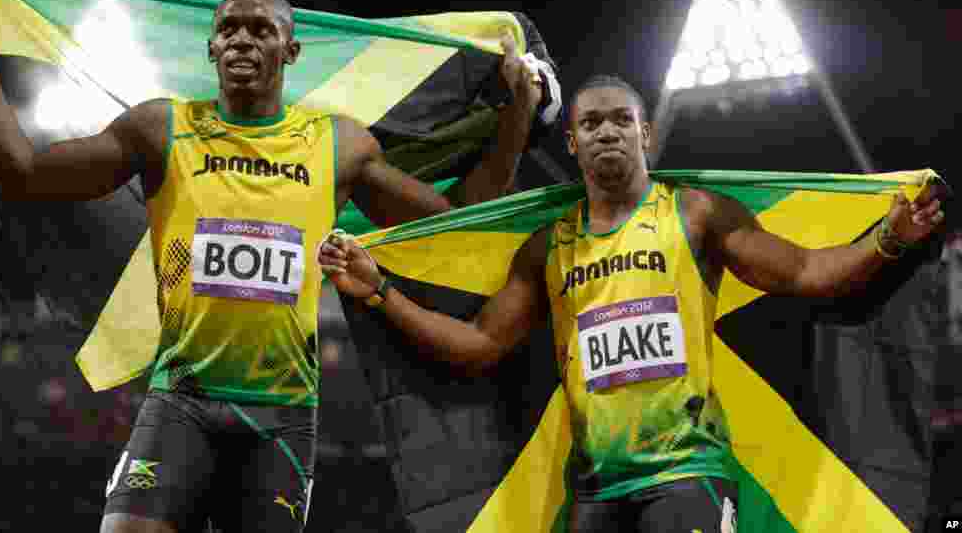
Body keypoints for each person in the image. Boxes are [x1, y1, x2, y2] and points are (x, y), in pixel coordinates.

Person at [0, 0, 544, 533]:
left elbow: (455, 221)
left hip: (279, 416)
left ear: (291, 51)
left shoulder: (336, 146)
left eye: (262, 30)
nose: (242, 40)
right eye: (228, 28)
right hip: (181, 400)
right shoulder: (160, 130)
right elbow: (22, 172)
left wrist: (518, 112)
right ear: (209, 49)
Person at [319, 74, 946, 533]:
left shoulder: (696, 214)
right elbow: (480, 346)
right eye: (591, 123)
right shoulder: (549, 247)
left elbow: (808, 272)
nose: (608, 131)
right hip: (595, 493)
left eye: (621, 119)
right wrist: (381, 292)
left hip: (687, 476)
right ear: (573, 142)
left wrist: (890, 238)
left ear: (645, 132)